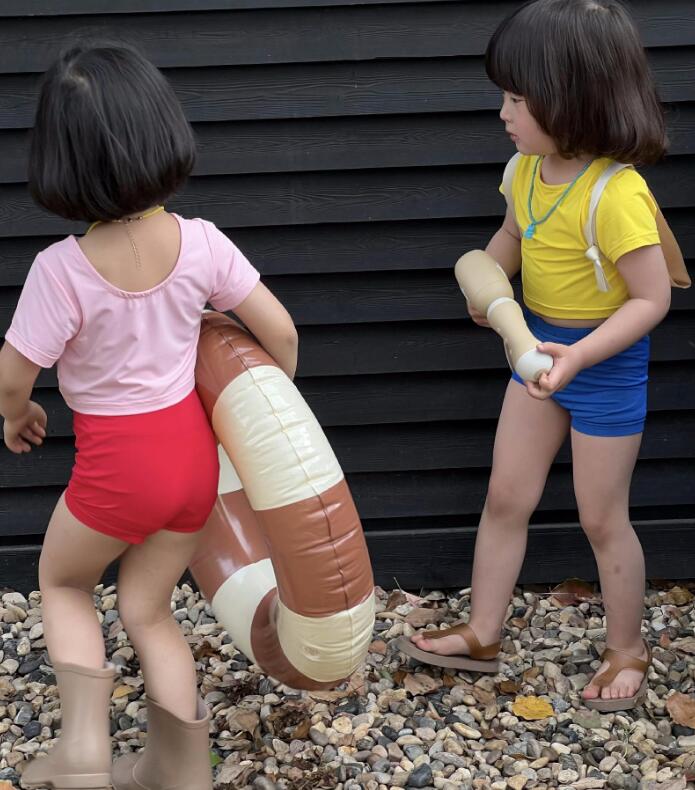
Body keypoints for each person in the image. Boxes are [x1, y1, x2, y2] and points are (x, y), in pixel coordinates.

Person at [0, 42, 298, 790]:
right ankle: (180, 770)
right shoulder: (202, 243)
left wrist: (18, 413)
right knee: (150, 610)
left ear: (60, 159)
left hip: (117, 468)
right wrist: (265, 418)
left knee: (64, 583)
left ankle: (83, 753)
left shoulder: (60, 270)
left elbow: (12, 373)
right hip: (191, 465)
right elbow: (282, 333)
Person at [402, 0, 672, 711]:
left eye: (517, 99)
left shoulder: (615, 195)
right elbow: (510, 239)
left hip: (602, 369)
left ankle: (627, 647)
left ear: (573, 100)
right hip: (534, 354)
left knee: (601, 518)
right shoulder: (524, 170)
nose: (503, 113)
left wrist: (580, 357)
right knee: (506, 496)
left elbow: (651, 300)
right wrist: (487, 282)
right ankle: (483, 631)